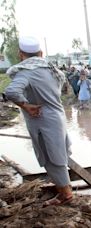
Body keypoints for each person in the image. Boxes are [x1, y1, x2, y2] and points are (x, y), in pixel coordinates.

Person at [4, 36, 73, 206]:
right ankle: (64, 189)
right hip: (57, 115)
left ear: (21, 55)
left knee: (52, 158)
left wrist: (25, 106)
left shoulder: (26, 72)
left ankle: (66, 194)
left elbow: (11, 91)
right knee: (59, 154)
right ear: (41, 53)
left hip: (43, 119)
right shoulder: (52, 69)